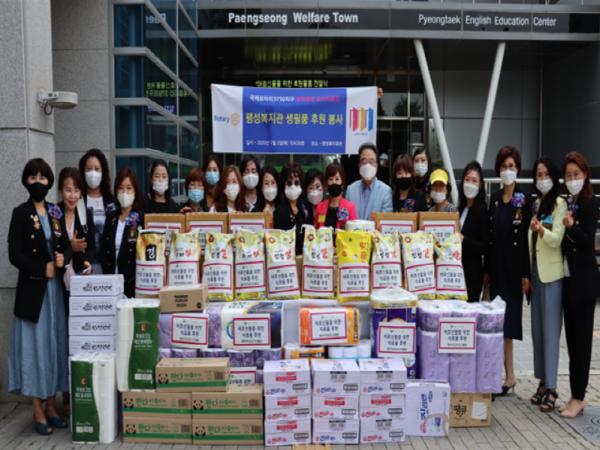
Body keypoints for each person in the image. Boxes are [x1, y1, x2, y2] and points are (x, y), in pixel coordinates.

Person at [8, 158, 71, 435]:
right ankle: (37, 407)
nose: (38, 182)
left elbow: (66, 246)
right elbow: (14, 255)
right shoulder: (20, 213)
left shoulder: (55, 212)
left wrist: (63, 257)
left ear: (49, 182)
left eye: (43, 178)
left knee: (54, 346)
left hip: (55, 293)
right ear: (26, 181)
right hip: (34, 294)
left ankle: (52, 405)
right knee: (35, 349)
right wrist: (40, 268)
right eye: (33, 177)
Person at [488, 145, 532, 396]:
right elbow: (491, 236)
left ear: (518, 169)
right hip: (496, 268)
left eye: (512, 166)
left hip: (514, 270)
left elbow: (526, 238)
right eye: (504, 167)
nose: (508, 170)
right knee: (496, 322)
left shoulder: (524, 199)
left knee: (510, 324)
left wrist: (526, 273)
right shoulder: (494, 199)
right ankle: (500, 374)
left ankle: (510, 375)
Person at [560, 151, 599, 418]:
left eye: (576, 174)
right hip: (569, 282)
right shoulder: (569, 203)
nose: (572, 179)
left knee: (583, 342)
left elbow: (586, 242)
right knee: (572, 341)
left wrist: (572, 227)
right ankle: (574, 394)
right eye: (568, 175)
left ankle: (580, 396)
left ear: (585, 175)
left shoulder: (590, 203)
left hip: (584, 284)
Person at [527, 157, 567, 413]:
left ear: (553, 177)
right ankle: (542, 380)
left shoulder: (560, 204)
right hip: (536, 274)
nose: (542, 179)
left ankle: (552, 387)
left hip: (552, 276)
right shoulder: (537, 204)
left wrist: (541, 230)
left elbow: (557, 239)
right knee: (538, 332)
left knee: (551, 333)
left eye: (546, 175)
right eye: (538, 175)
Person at [100, 167, 144, 298]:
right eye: (121, 188)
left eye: (129, 188)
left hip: (131, 283)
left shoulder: (140, 218)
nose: (125, 192)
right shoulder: (111, 217)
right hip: (110, 282)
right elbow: (104, 248)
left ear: (135, 191)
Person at [79, 148, 116, 274]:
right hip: (83, 267)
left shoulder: (112, 202)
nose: (93, 173)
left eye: (97, 169)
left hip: (108, 267)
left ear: (103, 172)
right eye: (89, 169)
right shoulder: (77, 201)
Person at [58, 167, 96, 287]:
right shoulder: (54, 213)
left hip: (79, 278)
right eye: (68, 190)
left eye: (77, 190)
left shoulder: (86, 214)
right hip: (58, 278)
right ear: (60, 191)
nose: (73, 196)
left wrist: (87, 261)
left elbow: (92, 248)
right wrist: (70, 246)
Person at [458, 161, 489, 303]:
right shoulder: (460, 208)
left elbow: (484, 246)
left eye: (474, 180)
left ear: (480, 185)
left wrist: (464, 239)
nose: (470, 184)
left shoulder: (482, 210)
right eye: (467, 179)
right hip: (456, 272)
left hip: (472, 273)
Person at [346, 143, 393, 220]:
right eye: (364, 161)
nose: (367, 166)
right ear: (359, 165)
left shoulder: (385, 191)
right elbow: (346, 218)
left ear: (377, 165)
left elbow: (385, 221)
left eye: (371, 161)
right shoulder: (351, 190)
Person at [273, 162, 313, 254]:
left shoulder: (306, 208)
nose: (293, 186)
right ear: (283, 184)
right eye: (289, 183)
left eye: (297, 183)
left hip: (306, 256)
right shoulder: (279, 211)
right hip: (287, 256)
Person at [315, 162, 357, 230]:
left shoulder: (350, 207)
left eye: (337, 179)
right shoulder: (320, 207)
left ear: (342, 183)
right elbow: (316, 229)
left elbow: (353, 230)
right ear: (326, 184)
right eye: (330, 179)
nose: (334, 182)